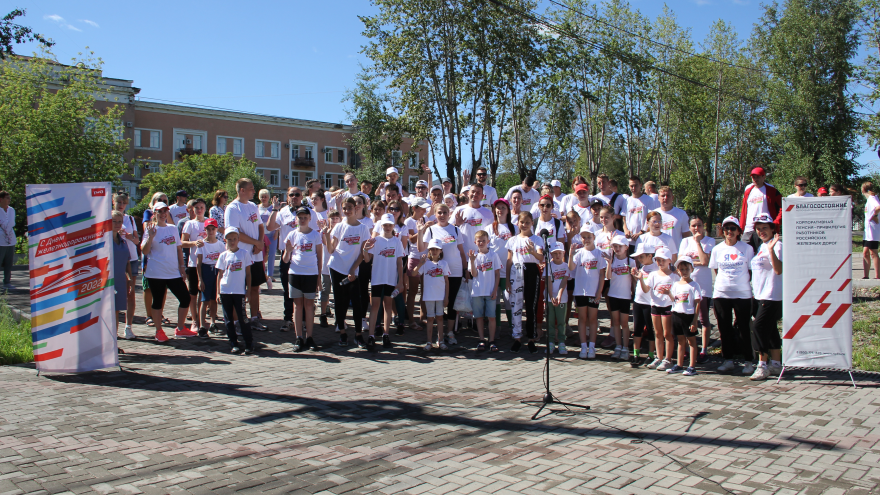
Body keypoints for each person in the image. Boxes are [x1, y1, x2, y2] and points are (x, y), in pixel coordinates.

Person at [140, 201, 194, 342]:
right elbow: (145, 251)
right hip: (156, 272)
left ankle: (180, 328)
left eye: (165, 211)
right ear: (155, 214)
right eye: (160, 211)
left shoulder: (172, 228)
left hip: (173, 272)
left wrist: (182, 267)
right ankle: (159, 331)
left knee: (185, 298)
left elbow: (178, 248)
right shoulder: (150, 229)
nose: (163, 214)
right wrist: (150, 236)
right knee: (158, 301)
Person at [710, 216, 755, 374]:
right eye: (726, 228)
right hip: (721, 294)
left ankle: (748, 361)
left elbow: (750, 270)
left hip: (742, 293)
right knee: (724, 328)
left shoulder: (747, 248)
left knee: (743, 328)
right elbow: (716, 269)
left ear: (739, 231)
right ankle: (728, 360)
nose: (729, 231)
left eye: (733, 228)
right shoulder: (717, 249)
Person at [418, 203, 466, 340]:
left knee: (452, 302)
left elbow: (462, 252)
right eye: (439, 212)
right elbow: (421, 248)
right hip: (437, 271)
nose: (442, 215)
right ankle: (435, 334)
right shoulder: (431, 230)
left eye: (445, 212)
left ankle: (450, 332)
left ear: (449, 214)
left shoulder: (455, 229)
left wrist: (465, 270)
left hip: (455, 271)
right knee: (437, 301)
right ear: (435, 214)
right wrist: (420, 231)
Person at [224, 179, 267, 329]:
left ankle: (254, 318)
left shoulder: (253, 206)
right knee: (238, 290)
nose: (254, 191)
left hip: (255, 255)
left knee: (254, 287)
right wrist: (256, 242)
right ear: (242, 190)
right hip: (239, 255)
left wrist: (260, 242)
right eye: (251, 188)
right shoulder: (232, 208)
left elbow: (260, 226)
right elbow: (234, 233)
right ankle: (237, 322)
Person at [328, 198, 370, 346]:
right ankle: (342, 334)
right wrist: (326, 235)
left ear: (356, 208)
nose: (347, 211)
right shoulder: (339, 226)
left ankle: (358, 335)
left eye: (350, 208)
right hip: (337, 267)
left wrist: (353, 269)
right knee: (340, 301)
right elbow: (331, 250)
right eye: (344, 208)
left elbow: (363, 253)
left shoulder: (363, 228)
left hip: (353, 269)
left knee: (356, 302)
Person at [283, 204, 323, 352]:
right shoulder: (292, 234)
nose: (302, 220)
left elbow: (319, 257)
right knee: (297, 306)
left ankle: (310, 337)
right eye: (300, 217)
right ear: (296, 219)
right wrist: (288, 251)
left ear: (310, 218)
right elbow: (285, 260)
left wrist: (318, 278)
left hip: (311, 274)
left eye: (305, 217)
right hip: (295, 273)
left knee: (309, 305)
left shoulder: (315, 235)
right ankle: (299, 337)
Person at [748, 213, 783, 380]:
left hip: (772, 295)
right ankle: (776, 364)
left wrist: (771, 250)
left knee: (759, 328)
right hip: (760, 295)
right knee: (770, 328)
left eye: (765, 228)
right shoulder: (762, 245)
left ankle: (762, 365)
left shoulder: (777, 245)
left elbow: (779, 270)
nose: (762, 231)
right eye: (758, 228)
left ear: (772, 229)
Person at [363, 213, 405, 349]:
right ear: (381, 225)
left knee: (388, 306)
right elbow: (367, 260)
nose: (387, 227)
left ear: (393, 226)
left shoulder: (397, 242)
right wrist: (365, 250)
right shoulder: (376, 240)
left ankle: (386, 335)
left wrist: (400, 281)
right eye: (385, 225)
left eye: (390, 225)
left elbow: (399, 262)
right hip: (377, 278)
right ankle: (371, 336)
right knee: (375, 306)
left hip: (391, 279)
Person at [506, 212, 544, 353]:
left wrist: (533, 252)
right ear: (518, 223)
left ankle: (531, 338)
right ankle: (517, 337)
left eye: (528, 222)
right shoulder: (513, 240)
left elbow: (541, 257)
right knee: (516, 305)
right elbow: (509, 260)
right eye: (522, 222)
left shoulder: (537, 239)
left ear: (532, 223)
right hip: (516, 271)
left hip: (532, 270)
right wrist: (508, 280)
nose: (525, 225)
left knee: (531, 305)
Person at [679, 215, 715, 363]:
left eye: (699, 225)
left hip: (703, 286)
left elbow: (706, 261)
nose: (696, 228)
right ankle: (688, 349)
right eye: (693, 225)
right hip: (687, 286)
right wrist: (696, 262)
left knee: (703, 319)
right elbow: (681, 262)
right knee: (686, 318)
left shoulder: (710, 241)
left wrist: (698, 243)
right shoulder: (685, 241)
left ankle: (704, 350)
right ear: (689, 227)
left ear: (703, 226)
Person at [636, 247, 678, 371]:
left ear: (669, 260)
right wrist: (640, 279)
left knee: (667, 334)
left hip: (667, 307)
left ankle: (668, 359)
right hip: (655, 306)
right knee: (658, 333)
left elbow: (676, 296)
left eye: (663, 260)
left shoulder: (674, 276)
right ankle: (659, 357)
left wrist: (669, 293)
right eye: (658, 260)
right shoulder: (653, 275)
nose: (660, 263)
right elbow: (646, 290)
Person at [267, 187, 303, 332]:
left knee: (302, 289)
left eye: (297, 194)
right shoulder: (282, 212)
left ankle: (303, 320)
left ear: (302, 196)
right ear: (287, 197)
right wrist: (275, 209)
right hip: (286, 256)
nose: (294, 197)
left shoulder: (308, 212)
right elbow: (270, 227)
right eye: (291, 195)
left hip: (302, 256)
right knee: (287, 289)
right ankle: (288, 319)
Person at [215, 227, 254, 354]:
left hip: (239, 291)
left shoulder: (244, 253)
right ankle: (233, 343)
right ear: (225, 240)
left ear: (238, 239)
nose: (232, 242)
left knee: (243, 318)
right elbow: (220, 275)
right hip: (225, 291)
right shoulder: (223, 255)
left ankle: (249, 344)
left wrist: (248, 290)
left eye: (234, 239)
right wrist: (218, 292)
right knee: (228, 319)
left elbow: (248, 274)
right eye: (229, 239)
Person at [569, 227, 606, 359]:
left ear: (594, 237)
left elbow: (602, 274)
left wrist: (599, 292)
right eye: (584, 237)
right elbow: (571, 268)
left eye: (589, 237)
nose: (586, 240)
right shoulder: (578, 253)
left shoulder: (599, 253)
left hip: (593, 292)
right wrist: (570, 255)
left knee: (592, 319)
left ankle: (592, 346)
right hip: (580, 292)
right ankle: (583, 346)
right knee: (582, 319)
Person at [469, 230, 501, 351]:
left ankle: (491, 340)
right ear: (475, 242)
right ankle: (482, 339)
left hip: (490, 291)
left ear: (488, 241)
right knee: (479, 317)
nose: (481, 243)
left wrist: (495, 290)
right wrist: (472, 261)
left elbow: (497, 274)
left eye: (483, 241)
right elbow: (474, 274)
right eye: (479, 241)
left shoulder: (493, 255)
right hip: (477, 291)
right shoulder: (473, 256)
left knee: (491, 317)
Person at [113, 192, 140, 339]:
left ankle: (128, 327)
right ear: (114, 202)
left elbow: (137, 240)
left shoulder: (129, 219)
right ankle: (113, 329)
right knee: (114, 294)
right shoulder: (109, 217)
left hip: (131, 257)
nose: (121, 205)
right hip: (116, 258)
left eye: (124, 202)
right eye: (119, 202)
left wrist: (129, 236)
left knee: (130, 293)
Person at [668, 257, 701, 376]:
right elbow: (674, 299)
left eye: (687, 269)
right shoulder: (676, 284)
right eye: (682, 269)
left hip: (689, 316)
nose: (684, 271)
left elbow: (697, 303)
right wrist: (668, 293)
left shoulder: (694, 285)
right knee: (680, 341)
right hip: (677, 314)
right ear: (678, 270)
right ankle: (679, 365)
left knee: (691, 341)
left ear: (692, 269)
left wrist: (694, 321)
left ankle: (692, 366)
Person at [738, 166, 782, 253]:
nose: (755, 179)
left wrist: (776, 222)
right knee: (744, 253)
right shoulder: (748, 191)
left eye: (758, 176)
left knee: (766, 254)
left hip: (764, 228)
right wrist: (741, 227)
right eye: (753, 177)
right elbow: (744, 210)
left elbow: (783, 207)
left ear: (763, 177)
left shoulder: (772, 190)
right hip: (749, 228)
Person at [142, 192, 170, 328]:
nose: (162, 201)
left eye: (165, 200)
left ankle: (160, 314)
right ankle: (149, 315)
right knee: (148, 287)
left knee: (163, 288)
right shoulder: (148, 213)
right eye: (159, 199)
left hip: (164, 257)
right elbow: (147, 228)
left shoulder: (167, 214)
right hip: (150, 256)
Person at [181, 198, 208, 334]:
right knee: (193, 293)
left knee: (205, 293)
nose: (199, 210)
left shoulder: (209, 222)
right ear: (192, 209)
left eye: (201, 207)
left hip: (208, 262)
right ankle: (194, 320)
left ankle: (202, 319)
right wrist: (194, 243)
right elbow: (182, 242)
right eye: (197, 207)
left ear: (205, 208)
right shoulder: (189, 224)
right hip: (193, 263)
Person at [604, 235, 633, 360]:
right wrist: (609, 263)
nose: (617, 248)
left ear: (626, 247)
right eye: (615, 246)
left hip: (625, 296)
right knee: (615, 322)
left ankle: (625, 347)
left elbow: (634, 280)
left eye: (620, 246)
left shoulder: (631, 261)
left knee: (624, 323)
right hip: (613, 295)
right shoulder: (612, 260)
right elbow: (608, 277)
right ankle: (618, 346)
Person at [419, 240, 451, 351]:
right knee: (430, 318)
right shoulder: (425, 263)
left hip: (440, 295)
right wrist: (420, 263)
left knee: (440, 318)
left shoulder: (444, 263)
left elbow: (446, 281)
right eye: (432, 249)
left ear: (441, 250)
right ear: (429, 250)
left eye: (437, 249)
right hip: (429, 296)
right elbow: (414, 273)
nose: (434, 251)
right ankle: (429, 342)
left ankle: (441, 341)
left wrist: (446, 297)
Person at [630, 244, 657, 366]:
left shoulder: (656, 268)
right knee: (637, 329)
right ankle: (636, 354)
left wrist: (640, 279)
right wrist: (635, 276)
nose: (639, 259)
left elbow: (649, 286)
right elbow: (640, 282)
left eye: (641, 256)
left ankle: (651, 355)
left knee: (650, 330)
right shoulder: (642, 267)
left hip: (649, 303)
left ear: (650, 256)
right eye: (638, 257)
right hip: (638, 301)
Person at [489, 199, 516, 324]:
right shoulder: (489, 228)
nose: (500, 210)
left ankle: (512, 326)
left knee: (509, 300)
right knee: (495, 300)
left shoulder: (515, 228)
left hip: (509, 271)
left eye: (503, 207)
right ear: (494, 210)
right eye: (498, 207)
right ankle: (497, 327)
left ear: (508, 210)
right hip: (494, 272)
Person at [195, 219, 224, 336]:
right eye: (208, 229)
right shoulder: (202, 244)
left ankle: (213, 322)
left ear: (216, 230)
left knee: (214, 299)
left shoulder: (221, 245)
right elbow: (198, 263)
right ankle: (202, 325)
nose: (211, 231)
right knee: (204, 299)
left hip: (217, 272)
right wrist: (200, 279)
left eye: (213, 229)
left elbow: (223, 262)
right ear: (205, 230)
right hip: (206, 271)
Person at [453, 183, 495, 259]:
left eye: (478, 193)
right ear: (468, 194)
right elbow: (449, 229)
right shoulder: (459, 210)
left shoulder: (488, 213)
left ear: (482, 196)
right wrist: (457, 224)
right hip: (463, 255)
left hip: (482, 255)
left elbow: (491, 234)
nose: (475, 194)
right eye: (473, 191)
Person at [405, 198, 429, 331]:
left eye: (425, 208)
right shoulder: (409, 221)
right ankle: (411, 320)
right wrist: (423, 228)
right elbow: (411, 240)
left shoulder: (425, 218)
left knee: (425, 290)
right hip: (414, 257)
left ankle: (423, 317)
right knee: (413, 291)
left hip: (426, 257)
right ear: (414, 208)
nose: (424, 211)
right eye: (422, 208)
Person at [111, 211, 134, 339]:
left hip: (120, 280)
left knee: (116, 311)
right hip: (107, 280)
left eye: (119, 221)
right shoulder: (104, 241)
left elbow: (127, 262)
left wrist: (130, 279)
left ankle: (114, 340)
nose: (117, 224)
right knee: (107, 311)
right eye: (114, 221)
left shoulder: (123, 241)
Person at [546, 244, 570, 355]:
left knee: (561, 322)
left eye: (560, 253)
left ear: (563, 253)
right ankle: (550, 342)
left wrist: (559, 295)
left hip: (562, 299)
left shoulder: (566, 266)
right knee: (550, 321)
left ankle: (561, 342)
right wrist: (551, 296)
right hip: (549, 299)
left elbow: (564, 281)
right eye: (555, 253)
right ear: (551, 254)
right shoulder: (548, 266)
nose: (557, 255)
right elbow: (548, 282)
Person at [319, 209, 342, 327]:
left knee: (338, 293)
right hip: (326, 266)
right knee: (325, 291)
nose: (334, 220)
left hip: (338, 266)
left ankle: (339, 318)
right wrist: (326, 234)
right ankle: (323, 315)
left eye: (337, 218)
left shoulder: (342, 231)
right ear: (328, 219)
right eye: (332, 218)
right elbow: (326, 245)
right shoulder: (325, 231)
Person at [623, 176, 659, 242]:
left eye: (636, 185)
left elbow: (651, 217)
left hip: (644, 238)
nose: (633, 188)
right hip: (630, 239)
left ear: (640, 185)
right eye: (631, 186)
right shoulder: (627, 201)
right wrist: (626, 230)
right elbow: (624, 218)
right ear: (629, 186)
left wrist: (642, 232)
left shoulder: (649, 199)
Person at [258, 189, 278, 290]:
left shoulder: (272, 208)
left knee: (272, 254)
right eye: (262, 196)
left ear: (268, 197)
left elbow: (277, 220)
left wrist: (277, 232)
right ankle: (262, 274)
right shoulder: (256, 208)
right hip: (261, 235)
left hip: (271, 234)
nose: (264, 198)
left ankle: (270, 274)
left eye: (265, 196)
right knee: (261, 255)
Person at [862, 181, 880, 279]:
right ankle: (866, 276)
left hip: (873, 230)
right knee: (865, 253)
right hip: (867, 231)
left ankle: (877, 276)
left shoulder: (872, 198)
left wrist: (875, 215)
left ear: (863, 190)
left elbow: (878, 207)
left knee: (873, 252)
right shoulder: (869, 199)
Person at [0, 191, 14, 291]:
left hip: (11, 239)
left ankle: (7, 282)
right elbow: (4, 223)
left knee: (9, 262)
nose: (9, 199)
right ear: (1, 199)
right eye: (7, 198)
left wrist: (7, 226)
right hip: (1, 240)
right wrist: (6, 225)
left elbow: (12, 222)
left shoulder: (11, 210)